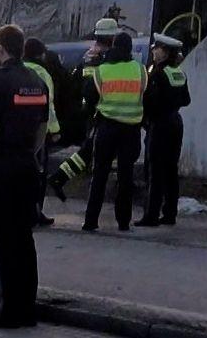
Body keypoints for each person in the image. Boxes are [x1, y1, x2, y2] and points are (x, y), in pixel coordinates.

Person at [0, 25, 51, 328]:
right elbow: (42, 129)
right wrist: (28, 151)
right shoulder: (36, 81)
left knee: (3, 243)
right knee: (23, 240)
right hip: (27, 168)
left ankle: (6, 309)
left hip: (1, 170)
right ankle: (26, 307)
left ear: (0, 49)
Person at [81, 30, 145, 232]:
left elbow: (89, 97)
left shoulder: (102, 70)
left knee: (99, 174)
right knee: (126, 177)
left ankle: (91, 221)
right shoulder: (140, 70)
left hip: (107, 127)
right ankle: (123, 222)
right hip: (131, 129)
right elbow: (146, 96)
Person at [46, 21, 115, 200]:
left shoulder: (90, 56)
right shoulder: (102, 59)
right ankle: (59, 178)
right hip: (98, 111)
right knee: (91, 150)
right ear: (112, 37)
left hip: (88, 110)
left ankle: (59, 178)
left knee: (88, 150)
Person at [136, 32, 191, 227]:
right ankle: (170, 213)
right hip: (176, 122)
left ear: (165, 52)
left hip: (159, 125)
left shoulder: (157, 73)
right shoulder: (179, 72)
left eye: (156, 48)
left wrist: (145, 118)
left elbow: (150, 101)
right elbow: (186, 100)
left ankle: (151, 215)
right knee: (170, 170)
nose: (153, 51)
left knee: (155, 171)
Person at [21, 37, 60, 227]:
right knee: (38, 174)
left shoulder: (16, 69)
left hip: (18, 130)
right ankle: (35, 212)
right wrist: (54, 130)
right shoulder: (42, 73)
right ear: (40, 54)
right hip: (38, 132)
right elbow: (48, 106)